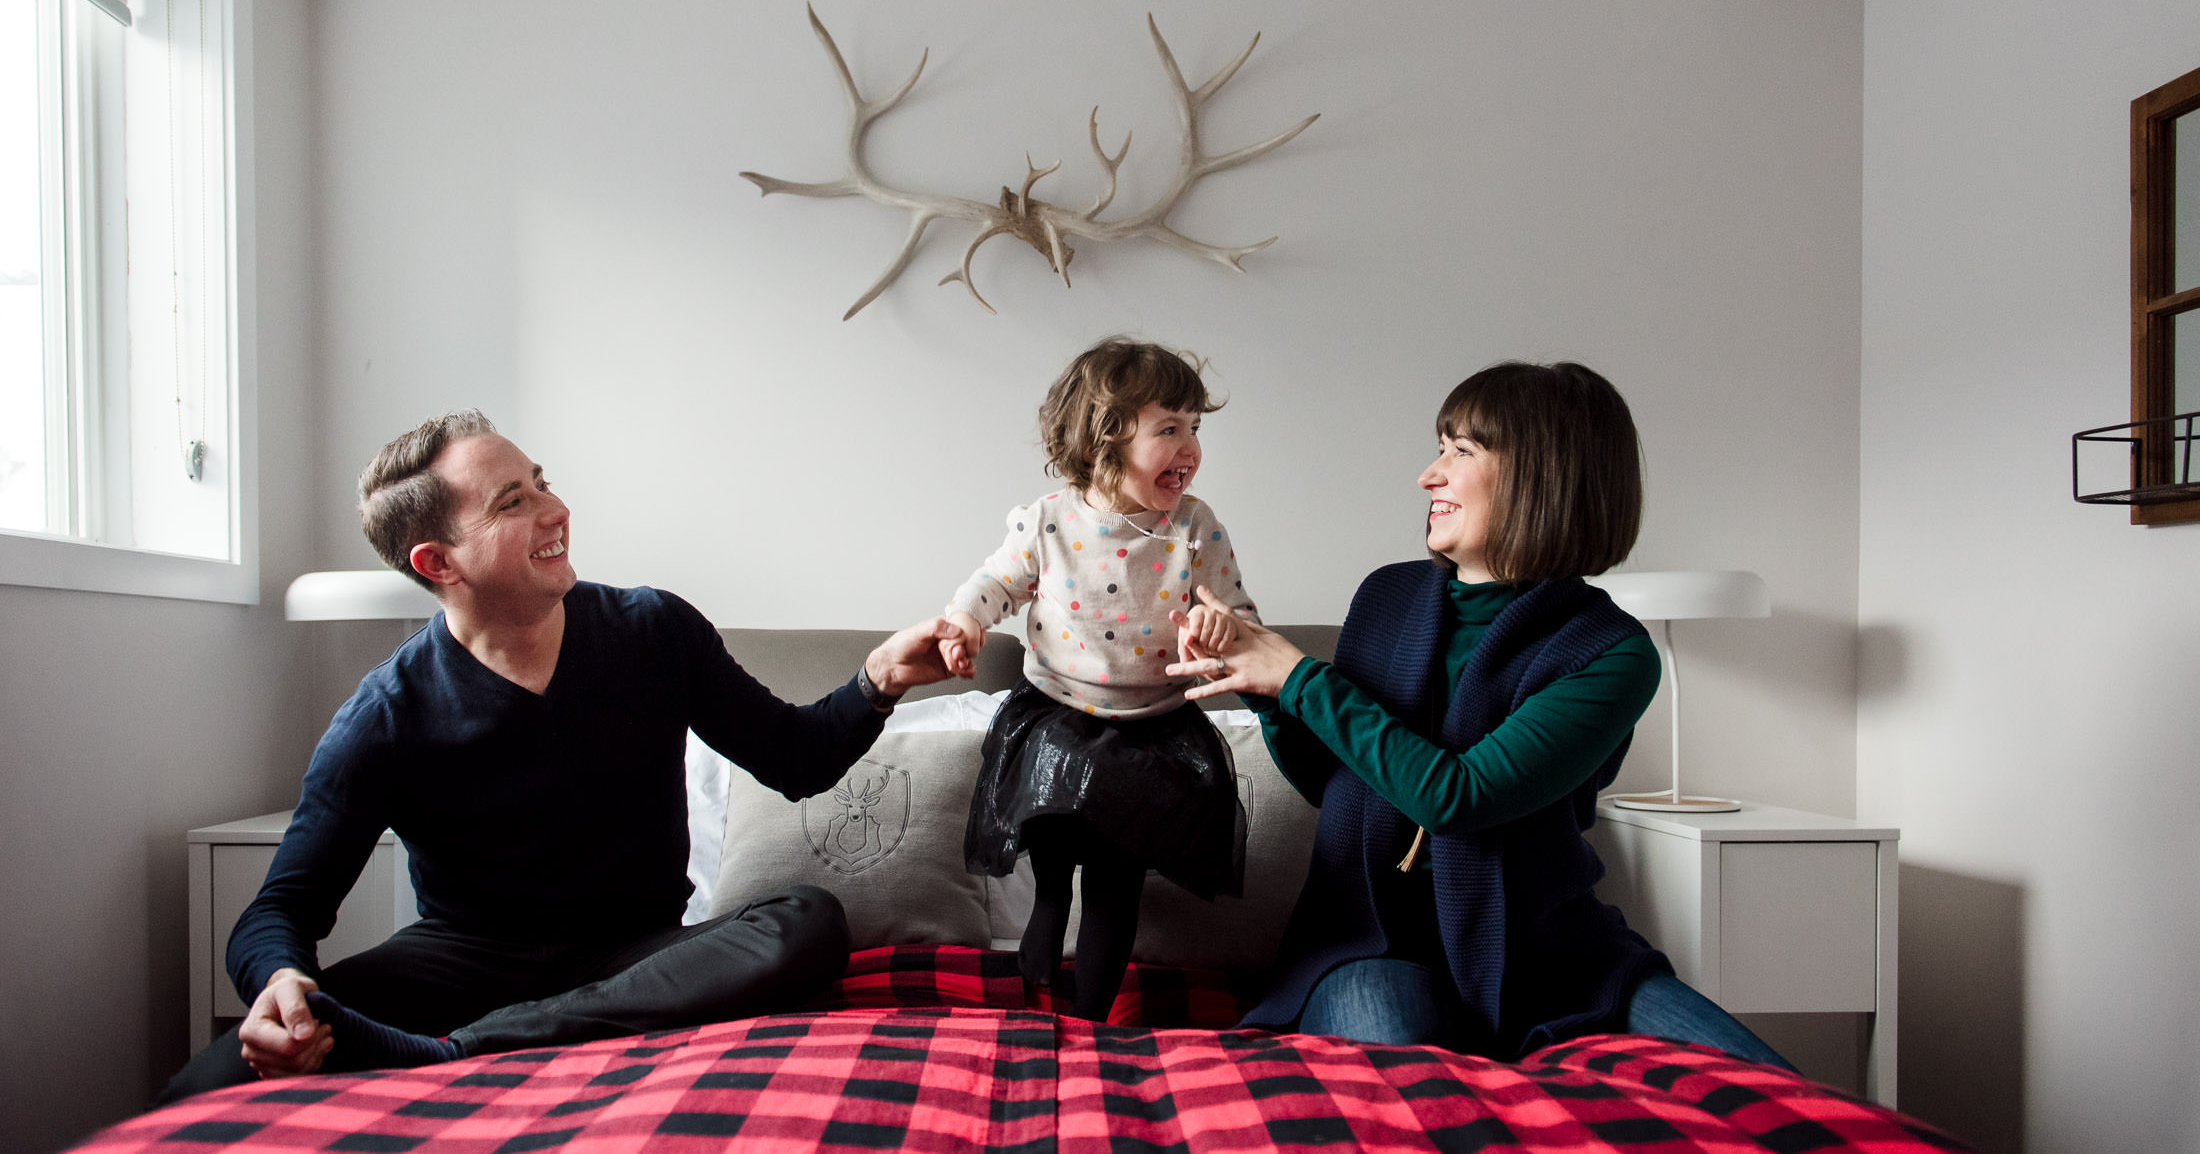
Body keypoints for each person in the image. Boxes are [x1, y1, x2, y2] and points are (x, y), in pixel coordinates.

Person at [157, 410, 965, 1103]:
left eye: (541, 481)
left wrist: (881, 676)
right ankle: (485, 1035)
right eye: (516, 501)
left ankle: (464, 1052)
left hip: (637, 954)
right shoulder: (386, 713)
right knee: (212, 1079)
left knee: (808, 923)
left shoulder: (652, 631)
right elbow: (278, 910)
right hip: (463, 963)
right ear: (438, 563)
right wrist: (280, 985)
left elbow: (796, 757)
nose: (557, 509)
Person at [1166, 361, 1795, 1067]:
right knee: (1420, 1100)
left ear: (1543, 475)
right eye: (1441, 447)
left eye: (1460, 451)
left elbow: (1459, 797)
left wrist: (1299, 677)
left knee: (1790, 1100)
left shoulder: (1612, 652)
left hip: (1555, 963)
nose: (1428, 475)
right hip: (1372, 942)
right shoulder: (1385, 597)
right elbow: (1336, 782)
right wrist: (1263, 687)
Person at [932, 338, 1258, 1021]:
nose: (1190, 446)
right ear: (1104, 437)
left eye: (1196, 428)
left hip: (1152, 726)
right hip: (1058, 706)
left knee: (1118, 875)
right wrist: (965, 619)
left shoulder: (1195, 526)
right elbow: (998, 581)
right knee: (1051, 818)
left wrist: (1222, 623)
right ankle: (1050, 898)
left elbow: (1233, 608)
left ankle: (1087, 1019)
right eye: (1169, 427)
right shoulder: (1049, 518)